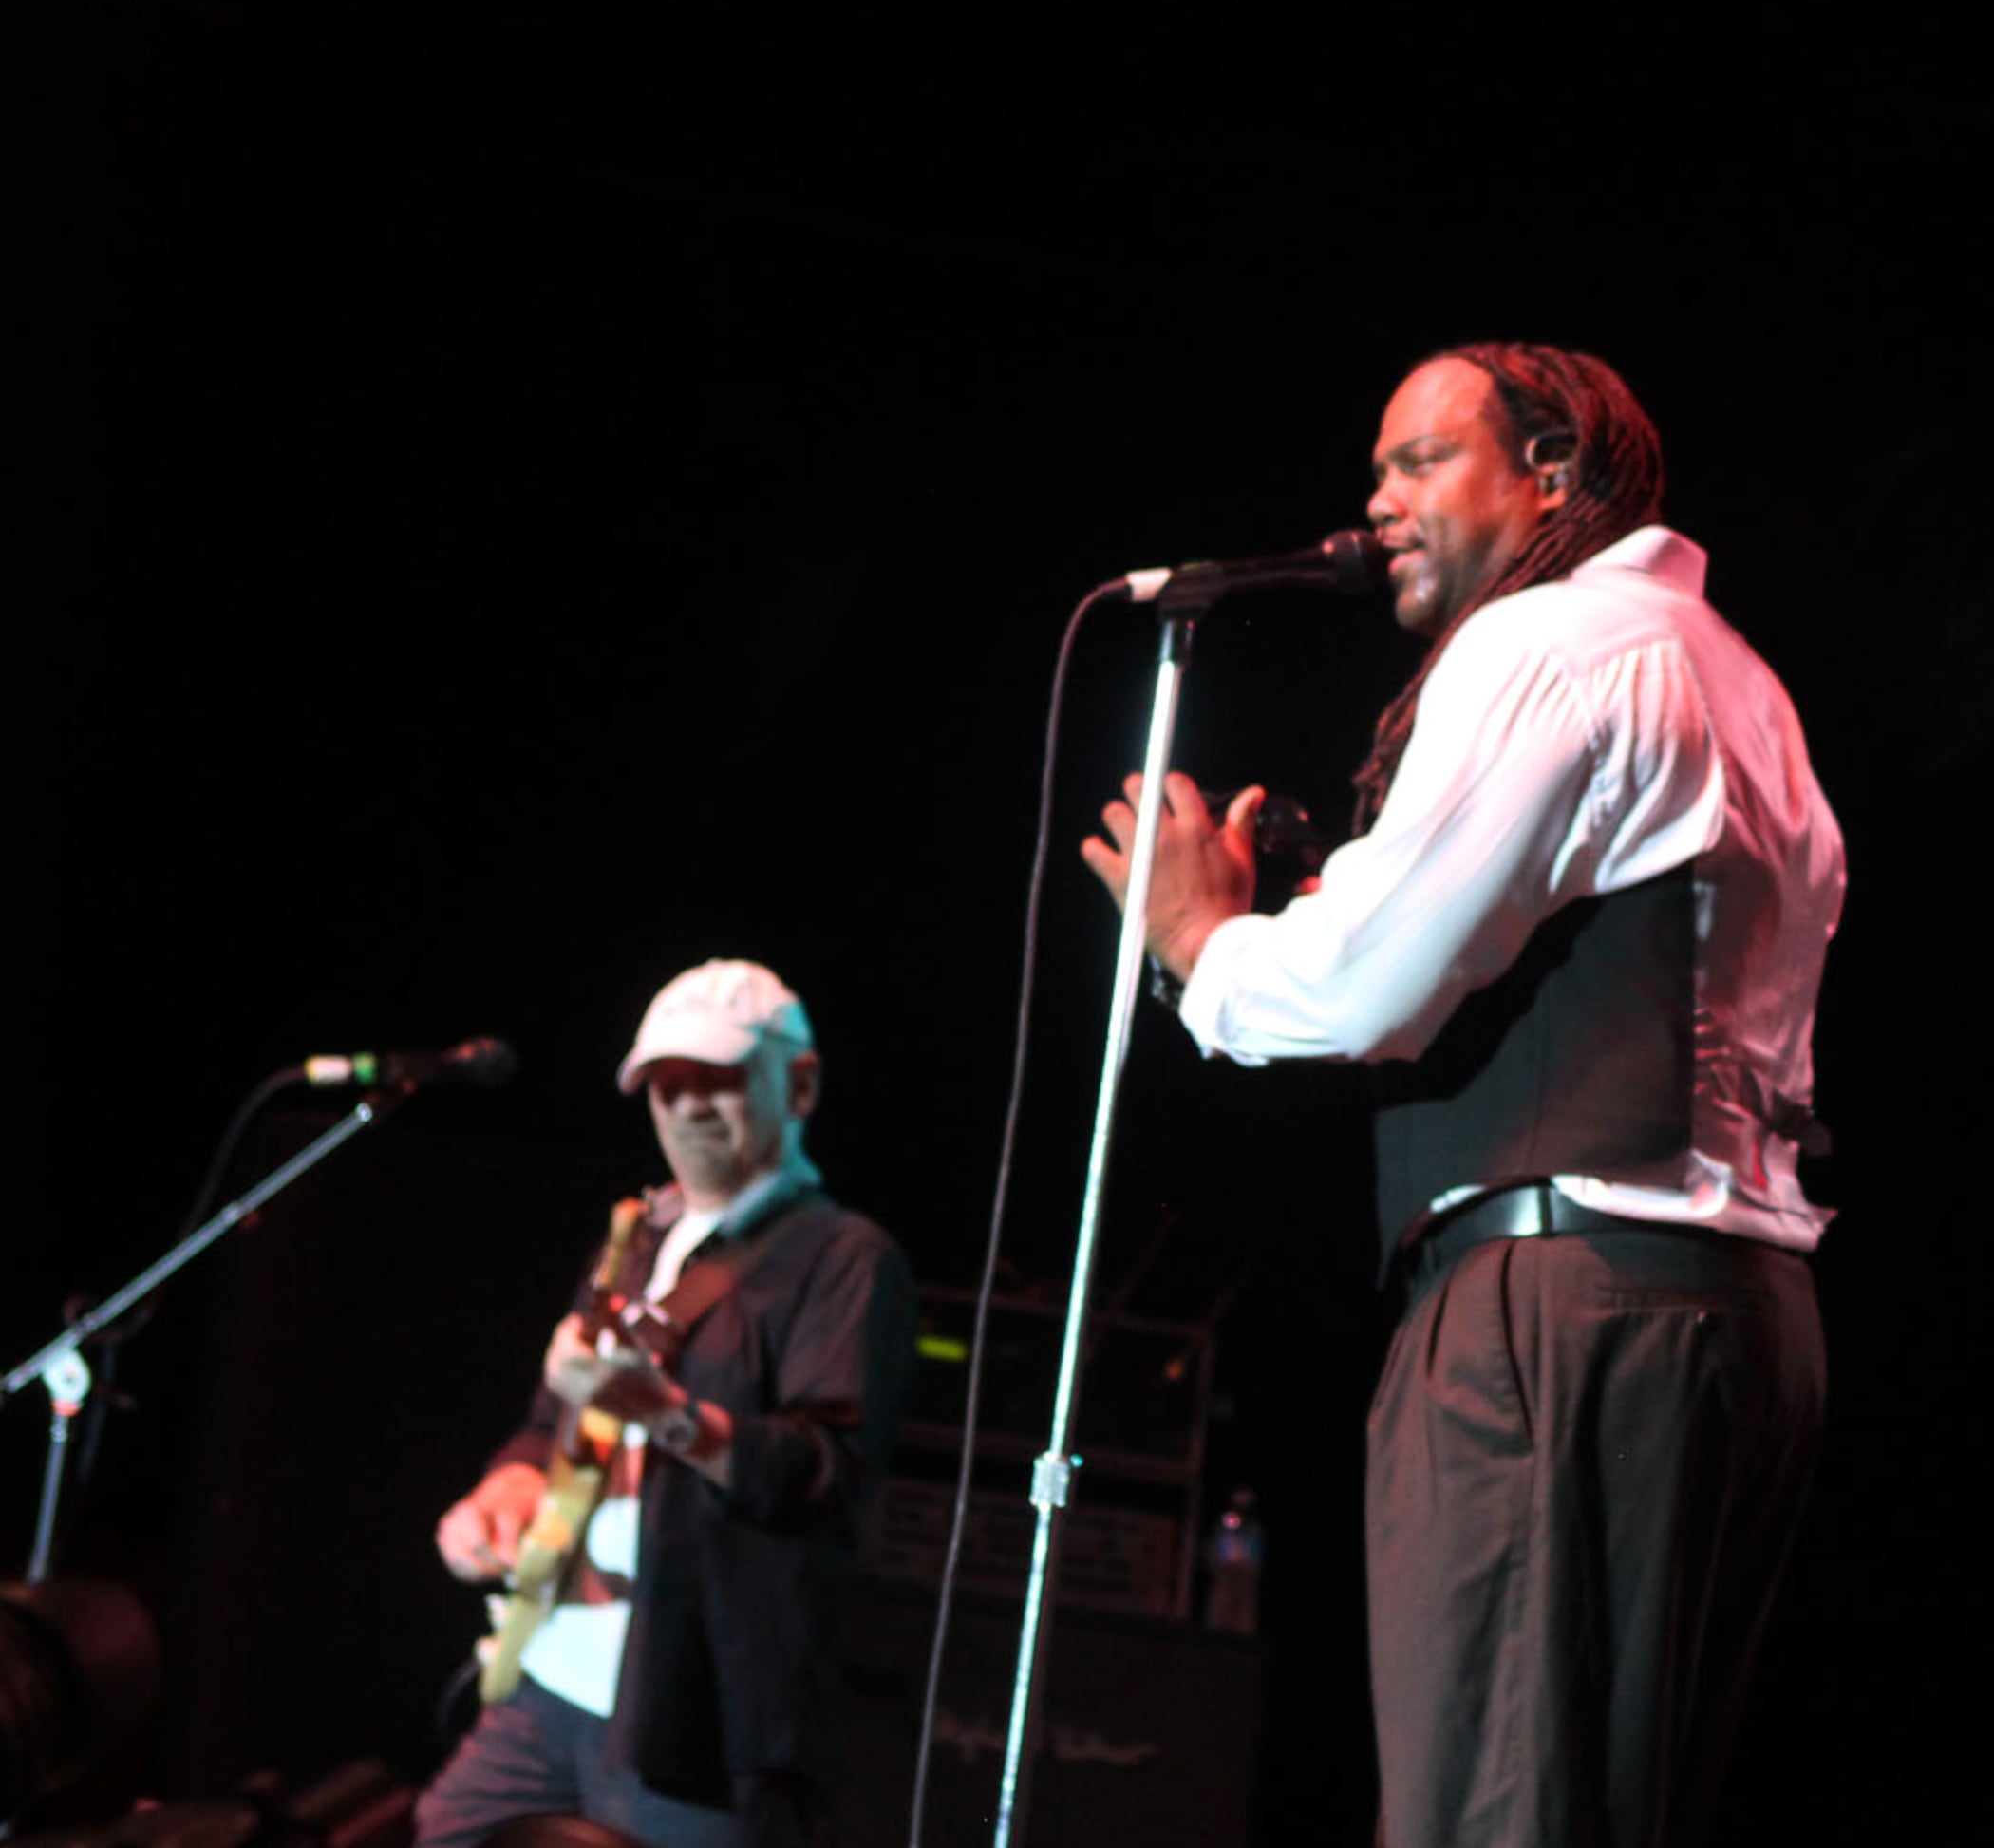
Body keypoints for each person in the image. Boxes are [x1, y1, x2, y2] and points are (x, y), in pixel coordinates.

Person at [1084, 342, 1842, 1848]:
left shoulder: (1553, 645)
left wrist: (1198, 941)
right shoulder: (1746, 681)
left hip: (1556, 1304)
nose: (1375, 505)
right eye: (1377, 468)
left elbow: (1362, 985)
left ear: (1550, 471)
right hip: (1732, 1313)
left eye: (1419, 460)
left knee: (1488, 1809)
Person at [417, 959, 917, 1848]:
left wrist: (667, 1414)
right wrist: (504, 1492)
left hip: (692, 1705)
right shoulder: (634, 1235)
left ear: (800, 1085)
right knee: (449, 1824)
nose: (687, 1106)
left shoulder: (843, 1256)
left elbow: (824, 1471)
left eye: (718, 1081)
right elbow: (549, 1425)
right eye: (666, 1085)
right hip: (555, 1667)